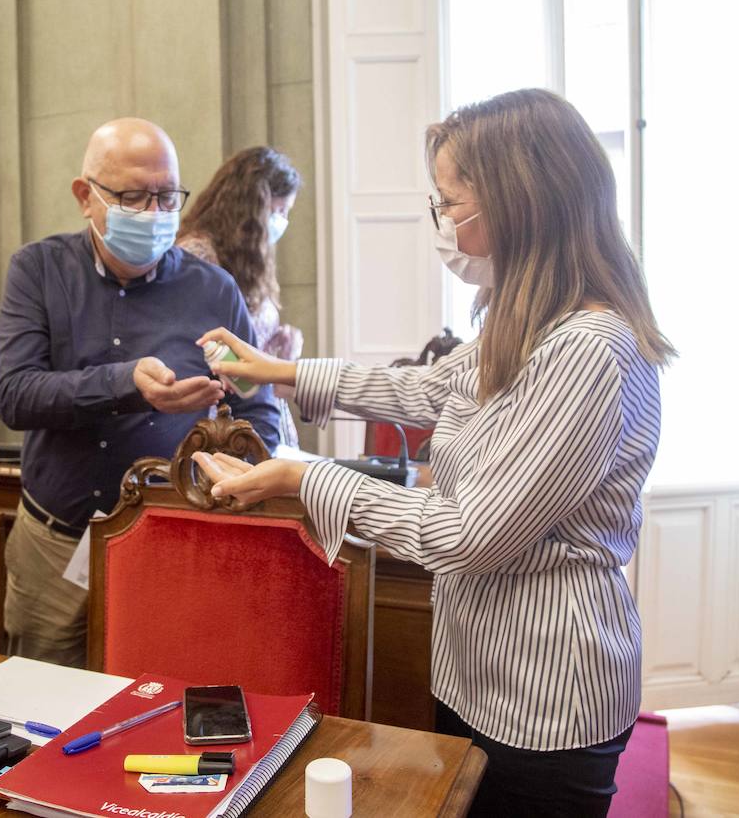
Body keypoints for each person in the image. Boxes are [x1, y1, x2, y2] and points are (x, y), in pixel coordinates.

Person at [193, 89, 675, 817]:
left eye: (452, 206)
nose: (443, 224)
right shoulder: (531, 316)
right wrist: (276, 370)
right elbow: (426, 389)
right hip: (479, 664)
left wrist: (308, 477)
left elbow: (467, 533)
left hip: (546, 688)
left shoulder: (587, 348)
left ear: (519, 205)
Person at [0, 117, 281, 667]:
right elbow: (14, 395)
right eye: (132, 197)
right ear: (86, 196)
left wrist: (224, 481)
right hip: (55, 544)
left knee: (155, 706)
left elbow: (255, 408)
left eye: (166, 196)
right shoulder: (38, 271)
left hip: (170, 544)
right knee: (41, 714)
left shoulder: (212, 290)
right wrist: (125, 384)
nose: (153, 214)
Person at [176, 146, 303, 447]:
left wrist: (275, 354)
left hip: (257, 408)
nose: (282, 221)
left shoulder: (250, 258)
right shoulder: (198, 255)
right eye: (279, 211)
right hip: (222, 418)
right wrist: (273, 372)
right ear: (253, 207)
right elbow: (199, 350)